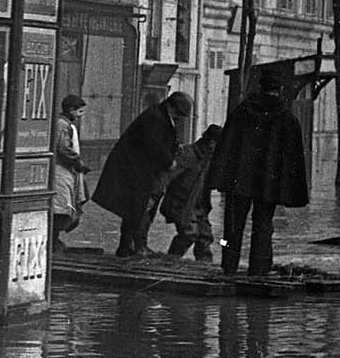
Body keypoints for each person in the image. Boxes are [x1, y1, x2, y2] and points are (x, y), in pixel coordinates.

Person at [204, 70, 310, 276]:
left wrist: (221, 177)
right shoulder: (287, 118)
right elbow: (293, 156)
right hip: (268, 183)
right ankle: (259, 269)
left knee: (232, 226)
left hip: (239, 180)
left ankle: (228, 266)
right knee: (263, 225)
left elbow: (226, 146)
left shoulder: (241, 112)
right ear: (279, 90)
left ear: (260, 87)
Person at [93, 91, 192, 257]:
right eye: (178, 113)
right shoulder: (156, 118)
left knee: (136, 209)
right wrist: (169, 161)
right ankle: (130, 247)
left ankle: (130, 247)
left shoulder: (160, 116)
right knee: (137, 208)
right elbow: (154, 145)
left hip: (140, 170)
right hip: (135, 170)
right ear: (170, 106)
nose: (178, 117)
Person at [162, 124, 223, 261]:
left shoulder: (208, 158)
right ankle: (170, 262)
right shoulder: (187, 154)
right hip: (180, 203)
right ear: (212, 143)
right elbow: (167, 176)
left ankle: (204, 266)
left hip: (197, 206)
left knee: (205, 237)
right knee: (189, 233)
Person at [51, 94, 90, 246]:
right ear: (70, 110)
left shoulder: (64, 124)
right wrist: (78, 162)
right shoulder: (63, 125)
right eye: (79, 112)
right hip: (61, 169)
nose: (80, 116)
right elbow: (63, 148)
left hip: (65, 169)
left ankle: (55, 239)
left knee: (63, 204)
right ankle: (54, 240)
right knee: (61, 206)